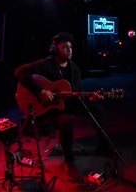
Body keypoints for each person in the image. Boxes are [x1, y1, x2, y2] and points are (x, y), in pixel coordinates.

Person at [14, 32, 109, 182]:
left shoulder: (74, 68)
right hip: (48, 107)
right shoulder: (46, 63)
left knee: (97, 110)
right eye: (64, 47)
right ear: (55, 49)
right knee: (65, 123)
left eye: (70, 47)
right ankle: (69, 161)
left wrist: (90, 98)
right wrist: (41, 91)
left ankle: (103, 146)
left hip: (68, 103)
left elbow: (77, 92)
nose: (69, 50)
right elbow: (19, 72)